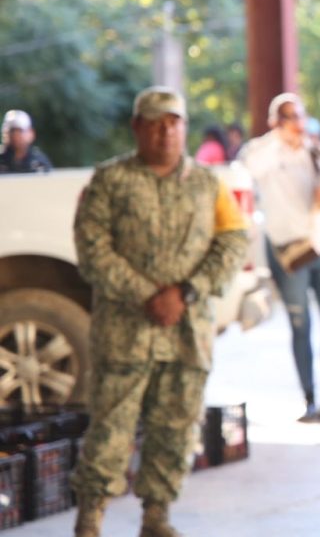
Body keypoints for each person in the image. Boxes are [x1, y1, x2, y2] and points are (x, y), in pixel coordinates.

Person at [70, 86, 249, 537]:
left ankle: (156, 516)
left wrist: (186, 292)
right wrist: (147, 295)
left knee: (175, 428)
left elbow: (233, 241)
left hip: (187, 331)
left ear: (184, 128)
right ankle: (90, 519)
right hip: (124, 330)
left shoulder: (208, 184)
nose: (165, 132)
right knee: (110, 429)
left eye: (173, 123)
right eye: (155, 123)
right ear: (137, 128)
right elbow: (92, 249)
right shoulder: (110, 181)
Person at [241, 93, 320, 421]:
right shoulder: (264, 152)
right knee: (299, 323)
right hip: (290, 250)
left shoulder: (319, 152)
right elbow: (248, 169)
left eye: (298, 116)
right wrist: (279, 139)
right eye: (287, 117)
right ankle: (308, 397)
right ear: (275, 122)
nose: (295, 123)